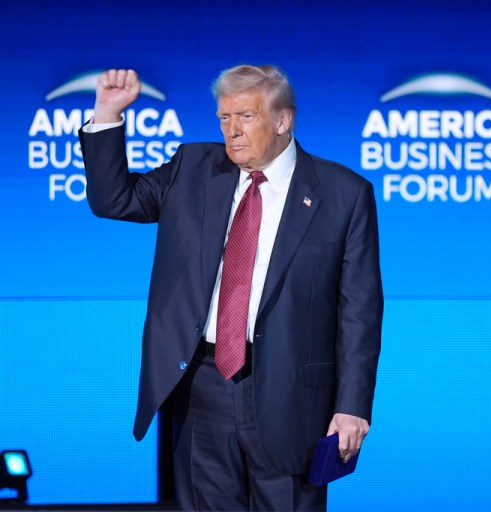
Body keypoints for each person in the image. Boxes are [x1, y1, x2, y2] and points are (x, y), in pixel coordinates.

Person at [79, 66, 383, 511]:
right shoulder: (194, 169)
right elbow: (113, 199)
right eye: (224, 118)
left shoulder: (343, 194)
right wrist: (107, 113)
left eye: (245, 117)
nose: (232, 132)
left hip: (292, 396)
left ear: (283, 121)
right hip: (202, 387)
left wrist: (352, 406)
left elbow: (359, 312)